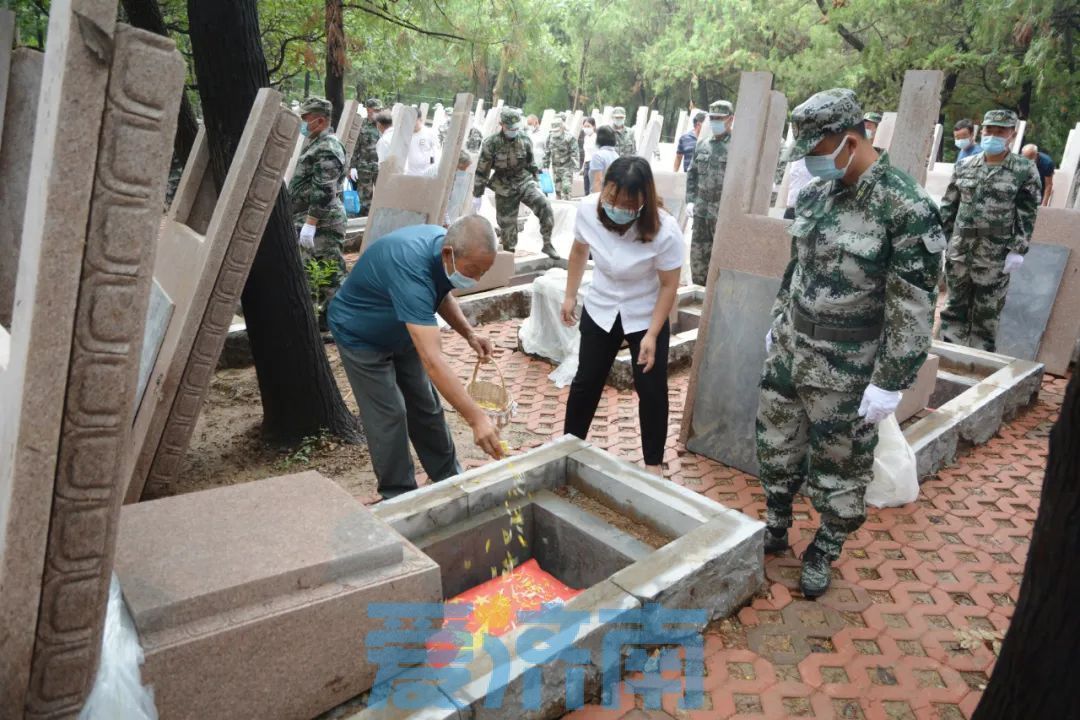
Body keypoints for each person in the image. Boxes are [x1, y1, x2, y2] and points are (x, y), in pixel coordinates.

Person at [759, 88, 945, 598]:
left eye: (816, 152)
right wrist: (779, 318)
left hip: (848, 366)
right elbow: (796, 266)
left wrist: (890, 382)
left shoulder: (906, 208)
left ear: (849, 139)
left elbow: (913, 305)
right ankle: (775, 524)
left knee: (840, 468)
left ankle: (824, 548)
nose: (811, 165)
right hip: (793, 350)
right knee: (776, 445)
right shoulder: (816, 194)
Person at [328, 216, 504, 498]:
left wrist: (469, 334)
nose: (476, 279)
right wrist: (476, 418)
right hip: (361, 335)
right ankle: (399, 496)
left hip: (404, 328)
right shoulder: (410, 266)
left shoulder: (446, 249)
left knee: (426, 405)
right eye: (473, 271)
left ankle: (449, 478)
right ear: (449, 254)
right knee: (390, 414)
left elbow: (441, 294)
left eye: (483, 272)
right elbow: (433, 362)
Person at [561, 157, 684, 476]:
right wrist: (570, 294)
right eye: (612, 199)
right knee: (587, 380)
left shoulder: (664, 230)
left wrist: (653, 334)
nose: (617, 208)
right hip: (601, 305)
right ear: (603, 187)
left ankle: (654, 464)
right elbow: (578, 251)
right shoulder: (588, 210)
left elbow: (669, 285)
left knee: (652, 388)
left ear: (643, 200)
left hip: (645, 312)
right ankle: (568, 446)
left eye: (627, 205)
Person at [938, 110, 1042, 352]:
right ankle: (947, 357)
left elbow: (1027, 213)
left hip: (994, 253)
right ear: (981, 131)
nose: (993, 135)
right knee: (954, 307)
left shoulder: (1023, 169)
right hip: (961, 251)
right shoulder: (964, 165)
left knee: (986, 312)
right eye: (989, 130)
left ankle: (977, 362)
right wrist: (941, 240)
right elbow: (949, 206)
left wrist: (1018, 249)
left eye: (1000, 131)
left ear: (1011, 135)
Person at [289, 96, 349, 326]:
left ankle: (345, 324)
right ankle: (327, 322)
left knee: (332, 275)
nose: (303, 123)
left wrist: (311, 223)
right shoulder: (317, 144)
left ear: (320, 121)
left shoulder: (328, 147)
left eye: (306, 119)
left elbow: (324, 189)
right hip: (311, 219)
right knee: (319, 274)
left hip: (323, 222)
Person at [473, 107, 558, 258]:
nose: (513, 130)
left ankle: (547, 243)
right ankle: (508, 256)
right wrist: (477, 194)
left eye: (515, 127)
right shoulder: (491, 143)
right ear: (502, 125)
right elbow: (482, 170)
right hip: (504, 187)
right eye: (510, 128)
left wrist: (539, 181)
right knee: (507, 228)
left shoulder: (525, 140)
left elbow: (531, 164)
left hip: (524, 181)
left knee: (544, 205)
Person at [685, 100, 734, 285]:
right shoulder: (703, 144)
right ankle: (698, 293)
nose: (715, 122)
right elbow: (693, 174)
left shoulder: (736, 148)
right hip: (702, 211)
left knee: (722, 258)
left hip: (723, 213)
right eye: (712, 118)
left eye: (719, 119)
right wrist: (690, 200)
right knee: (698, 256)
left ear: (730, 120)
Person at [350, 98, 382, 212]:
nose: (378, 113)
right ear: (368, 110)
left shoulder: (383, 126)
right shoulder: (361, 125)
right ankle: (363, 222)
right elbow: (354, 146)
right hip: (364, 167)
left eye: (379, 110)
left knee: (382, 196)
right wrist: (352, 167)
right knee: (364, 198)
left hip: (380, 167)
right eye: (376, 110)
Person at [545, 116, 580, 200]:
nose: (555, 132)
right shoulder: (550, 137)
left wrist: (575, 168)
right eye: (554, 130)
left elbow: (575, 153)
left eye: (557, 130)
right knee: (557, 190)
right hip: (555, 168)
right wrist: (545, 165)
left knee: (566, 189)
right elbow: (547, 152)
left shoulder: (569, 138)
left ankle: (568, 205)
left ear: (562, 128)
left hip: (566, 167)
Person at [405, 110, 441, 176]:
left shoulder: (430, 133)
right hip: (409, 172)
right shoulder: (406, 134)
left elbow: (434, 154)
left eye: (414, 121)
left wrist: (431, 164)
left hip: (425, 173)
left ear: (420, 120)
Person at [589, 125, 620, 192]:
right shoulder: (617, 156)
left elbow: (598, 181)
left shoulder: (598, 156)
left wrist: (597, 200)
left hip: (601, 196)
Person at [579, 117, 598, 194]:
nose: (586, 128)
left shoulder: (597, 137)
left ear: (593, 126)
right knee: (586, 187)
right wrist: (583, 167)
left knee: (593, 186)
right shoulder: (586, 138)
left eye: (588, 126)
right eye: (585, 126)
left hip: (595, 163)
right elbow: (586, 153)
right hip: (587, 164)